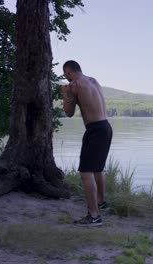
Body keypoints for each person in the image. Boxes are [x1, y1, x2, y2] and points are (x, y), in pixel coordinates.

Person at [61, 60, 112, 227]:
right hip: (105, 127)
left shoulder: (75, 85)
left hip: (95, 130)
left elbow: (68, 113)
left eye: (66, 76)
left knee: (85, 172)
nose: (66, 80)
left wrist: (65, 93)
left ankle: (94, 216)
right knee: (97, 168)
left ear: (68, 73)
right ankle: (102, 202)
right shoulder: (93, 80)